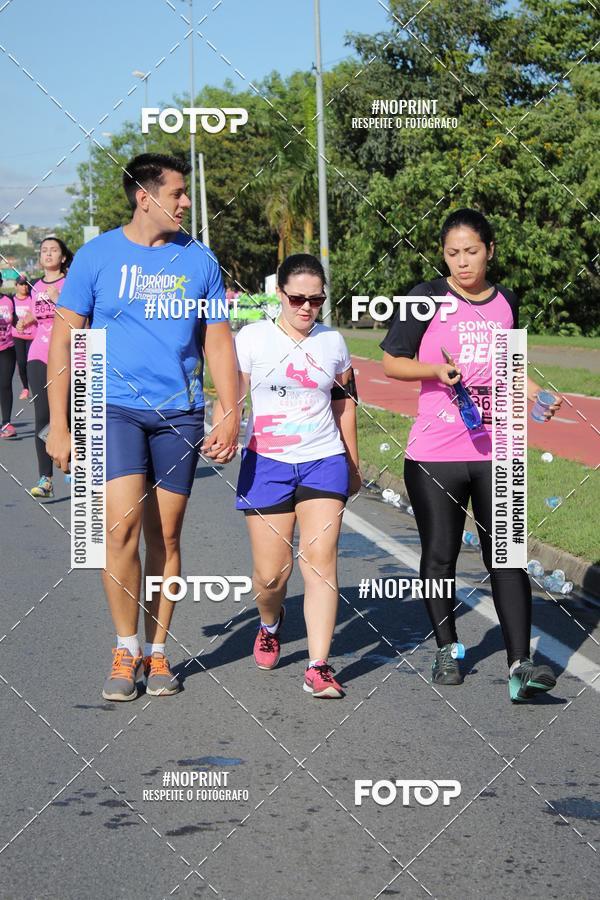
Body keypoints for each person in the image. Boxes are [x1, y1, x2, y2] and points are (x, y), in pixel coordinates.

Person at [47, 153, 239, 702]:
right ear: (144, 196)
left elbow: (218, 341)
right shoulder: (96, 256)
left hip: (178, 412)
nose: (186, 202)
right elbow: (65, 340)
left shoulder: (199, 259)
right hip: (112, 408)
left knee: (167, 535)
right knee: (119, 531)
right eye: (178, 192)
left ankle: (158, 651)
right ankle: (125, 645)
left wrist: (230, 409)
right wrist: (59, 423)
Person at [381, 208, 561, 703]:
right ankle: (448, 648)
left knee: (506, 557)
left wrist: (534, 393)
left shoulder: (506, 303)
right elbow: (391, 362)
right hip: (434, 452)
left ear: (490, 251)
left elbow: (509, 364)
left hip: (496, 447)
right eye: (452, 253)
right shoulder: (426, 298)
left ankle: (520, 665)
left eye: (472, 251)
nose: (462, 262)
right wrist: (434, 373)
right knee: (439, 554)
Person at [218, 253, 361, 698]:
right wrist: (225, 431)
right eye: (297, 298)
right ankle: (269, 622)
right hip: (267, 464)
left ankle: (318, 665)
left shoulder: (333, 343)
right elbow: (231, 397)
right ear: (278, 294)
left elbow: (345, 403)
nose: (306, 308)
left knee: (319, 563)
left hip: (323, 458)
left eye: (316, 300)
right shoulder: (252, 339)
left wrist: (352, 463)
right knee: (270, 577)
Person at [26, 237, 72, 497]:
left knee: (67, 412)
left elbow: (81, 319)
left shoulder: (71, 283)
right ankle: (46, 478)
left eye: (54, 250)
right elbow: (38, 314)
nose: (48, 254)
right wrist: (26, 321)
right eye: (44, 250)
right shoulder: (36, 286)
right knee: (42, 415)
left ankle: (72, 462)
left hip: (66, 353)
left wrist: (59, 300)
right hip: (38, 352)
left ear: (63, 257)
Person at [12, 274, 36, 399]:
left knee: (32, 364)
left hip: (33, 336)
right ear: (16, 286)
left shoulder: (33, 298)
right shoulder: (12, 300)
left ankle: (35, 387)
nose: (24, 286)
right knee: (21, 363)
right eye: (21, 284)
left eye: (26, 284)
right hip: (18, 336)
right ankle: (25, 388)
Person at [0, 277, 17, 438]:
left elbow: (16, 319)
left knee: (5, 384)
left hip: (7, 348)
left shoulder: (8, 300)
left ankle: (6, 423)